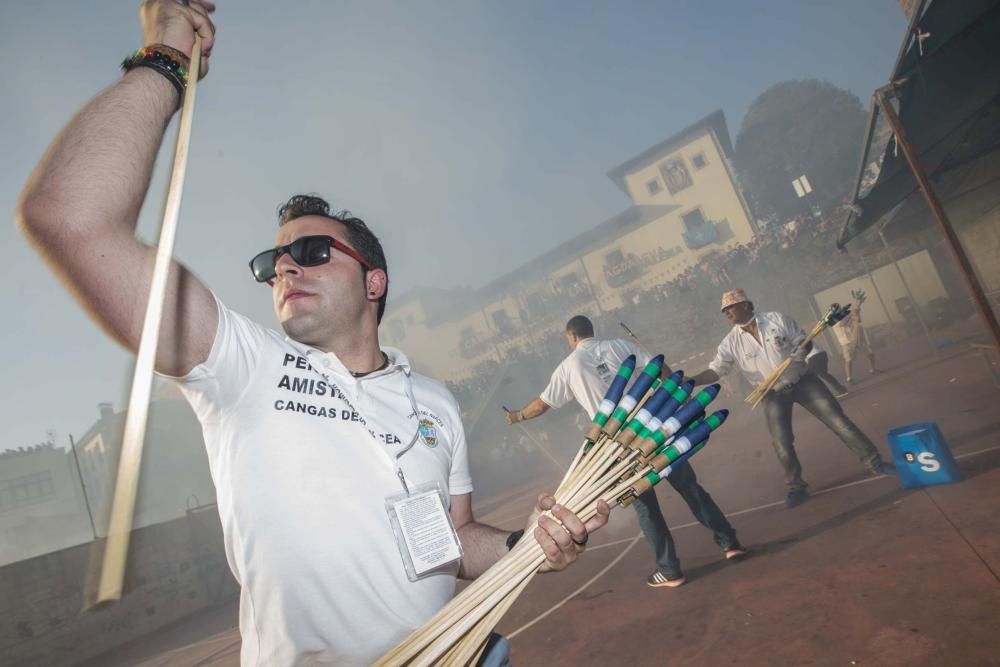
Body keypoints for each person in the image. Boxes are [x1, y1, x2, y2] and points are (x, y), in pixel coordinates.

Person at [15, 3, 608, 664]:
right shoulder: (243, 366)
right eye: (273, 264)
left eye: (315, 253)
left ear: (374, 281)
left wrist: (533, 542)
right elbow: (69, 218)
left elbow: (452, 537)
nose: (286, 267)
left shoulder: (433, 402)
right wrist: (163, 61)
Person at [506, 316, 746, 588]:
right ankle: (730, 542)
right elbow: (660, 369)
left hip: (617, 446)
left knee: (647, 509)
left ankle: (670, 570)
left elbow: (542, 404)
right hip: (655, 429)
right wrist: (679, 390)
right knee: (691, 489)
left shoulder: (567, 367)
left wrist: (518, 416)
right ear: (590, 331)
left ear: (570, 336)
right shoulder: (620, 346)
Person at [688, 290, 894, 509]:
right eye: (725, 310)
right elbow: (716, 370)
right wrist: (692, 380)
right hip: (771, 393)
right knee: (782, 442)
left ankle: (875, 462)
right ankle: (796, 487)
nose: (728, 312)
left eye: (732, 307)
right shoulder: (730, 343)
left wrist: (801, 352)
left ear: (746, 305)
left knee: (839, 421)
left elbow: (804, 341)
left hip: (803, 380)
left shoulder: (776, 319)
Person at [832, 289, 880, 384]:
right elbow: (843, 323)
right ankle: (849, 377)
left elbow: (858, 320)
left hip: (856, 339)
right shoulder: (833, 320)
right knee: (849, 360)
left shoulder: (846, 315)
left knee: (870, 353)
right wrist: (853, 311)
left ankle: (873, 369)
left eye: (840, 308)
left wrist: (858, 306)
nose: (840, 310)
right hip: (846, 343)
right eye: (838, 309)